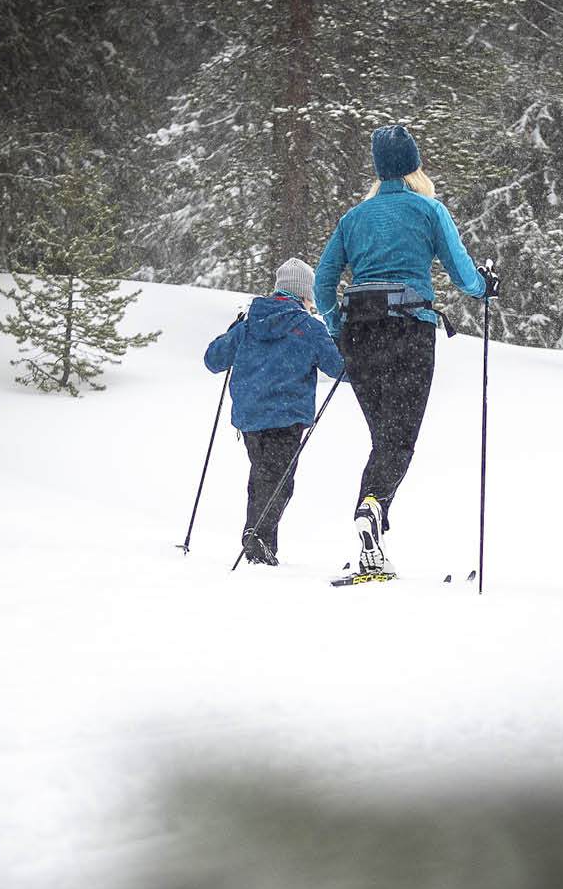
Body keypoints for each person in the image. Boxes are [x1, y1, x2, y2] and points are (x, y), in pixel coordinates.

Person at [314, 125, 498, 578]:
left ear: (378, 170)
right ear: (414, 166)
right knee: (400, 440)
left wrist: (338, 326)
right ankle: (371, 509)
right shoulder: (429, 210)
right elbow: (462, 274)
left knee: (385, 439)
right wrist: (485, 288)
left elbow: (323, 282)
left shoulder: (352, 219)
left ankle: (372, 540)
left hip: (359, 337)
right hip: (409, 333)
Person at [204, 257, 344, 566]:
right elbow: (339, 368)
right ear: (305, 295)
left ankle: (262, 543)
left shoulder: (248, 323)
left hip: (250, 418)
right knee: (279, 480)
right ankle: (258, 537)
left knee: (263, 475)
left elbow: (213, 360)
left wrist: (228, 333)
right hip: (287, 418)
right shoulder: (309, 328)